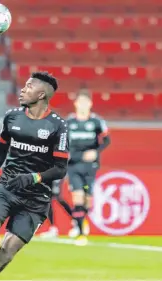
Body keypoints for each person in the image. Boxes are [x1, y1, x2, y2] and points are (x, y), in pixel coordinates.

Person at [0, 72, 69, 280]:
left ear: (41, 95)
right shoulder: (12, 117)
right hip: (7, 188)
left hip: (36, 200)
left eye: (29, 87)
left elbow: (60, 168)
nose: (23, 90)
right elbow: (0, 151)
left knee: (5, 257)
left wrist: (33, 178)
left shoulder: (58, 126)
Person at [63, 89, 110, 245]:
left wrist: (95, 152)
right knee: (78, 197)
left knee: (87, 200)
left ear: (90, 104)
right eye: (80, 102)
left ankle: (81, 221)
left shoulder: (97, 122)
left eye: (86, 102)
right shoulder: (69, 123)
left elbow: (106, 140)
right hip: (74, 166)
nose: (83, 105)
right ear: (75, 103)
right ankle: (81, 233)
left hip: (90, 166)